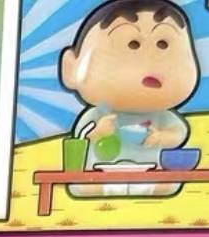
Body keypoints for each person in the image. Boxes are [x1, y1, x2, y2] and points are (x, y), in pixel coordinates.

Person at [59, 1, 201, 199]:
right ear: (71, 69)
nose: (150, 58)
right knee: (86, 186)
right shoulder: (98, 114)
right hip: (101, 173)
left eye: (163, 43)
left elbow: (178, 134)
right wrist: (98, 132)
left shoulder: (162, 116)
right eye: (133, 44)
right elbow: (82, 137)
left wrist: (162, 137)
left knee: (166, 184)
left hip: (149, 172)